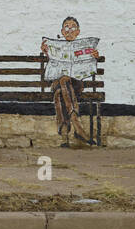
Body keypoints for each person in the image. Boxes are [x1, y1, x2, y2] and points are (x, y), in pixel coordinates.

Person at [41, 16, 98, 146]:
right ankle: (77, 125)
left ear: (78, 32)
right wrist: (45, 52)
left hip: (76, 83)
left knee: (59, 92)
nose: (69, 30)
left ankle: (65, 134)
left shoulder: (85, 48)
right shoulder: (54, 47)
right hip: (58, 83)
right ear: (62, 31)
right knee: (63, 80)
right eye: (66, 27)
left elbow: (89, 67)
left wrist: (94, 57)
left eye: (73, 28)